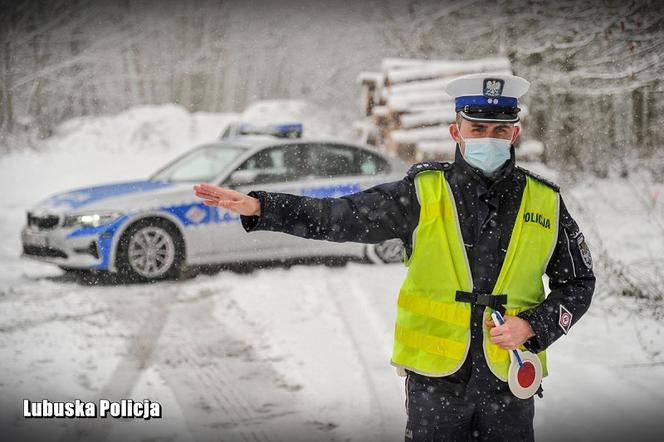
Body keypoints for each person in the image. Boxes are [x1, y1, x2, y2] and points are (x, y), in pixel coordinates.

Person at [192, 73, 595, 441]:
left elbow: (578, 283)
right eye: (478, 128)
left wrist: (533, 325)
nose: (488, 137)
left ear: (515, 133)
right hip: (436, 384)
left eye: (499, 129)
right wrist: (264, 208)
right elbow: (338, 217)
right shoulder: (421, 192)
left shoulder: (546, 201)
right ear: (457, 131)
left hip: (510, 380)